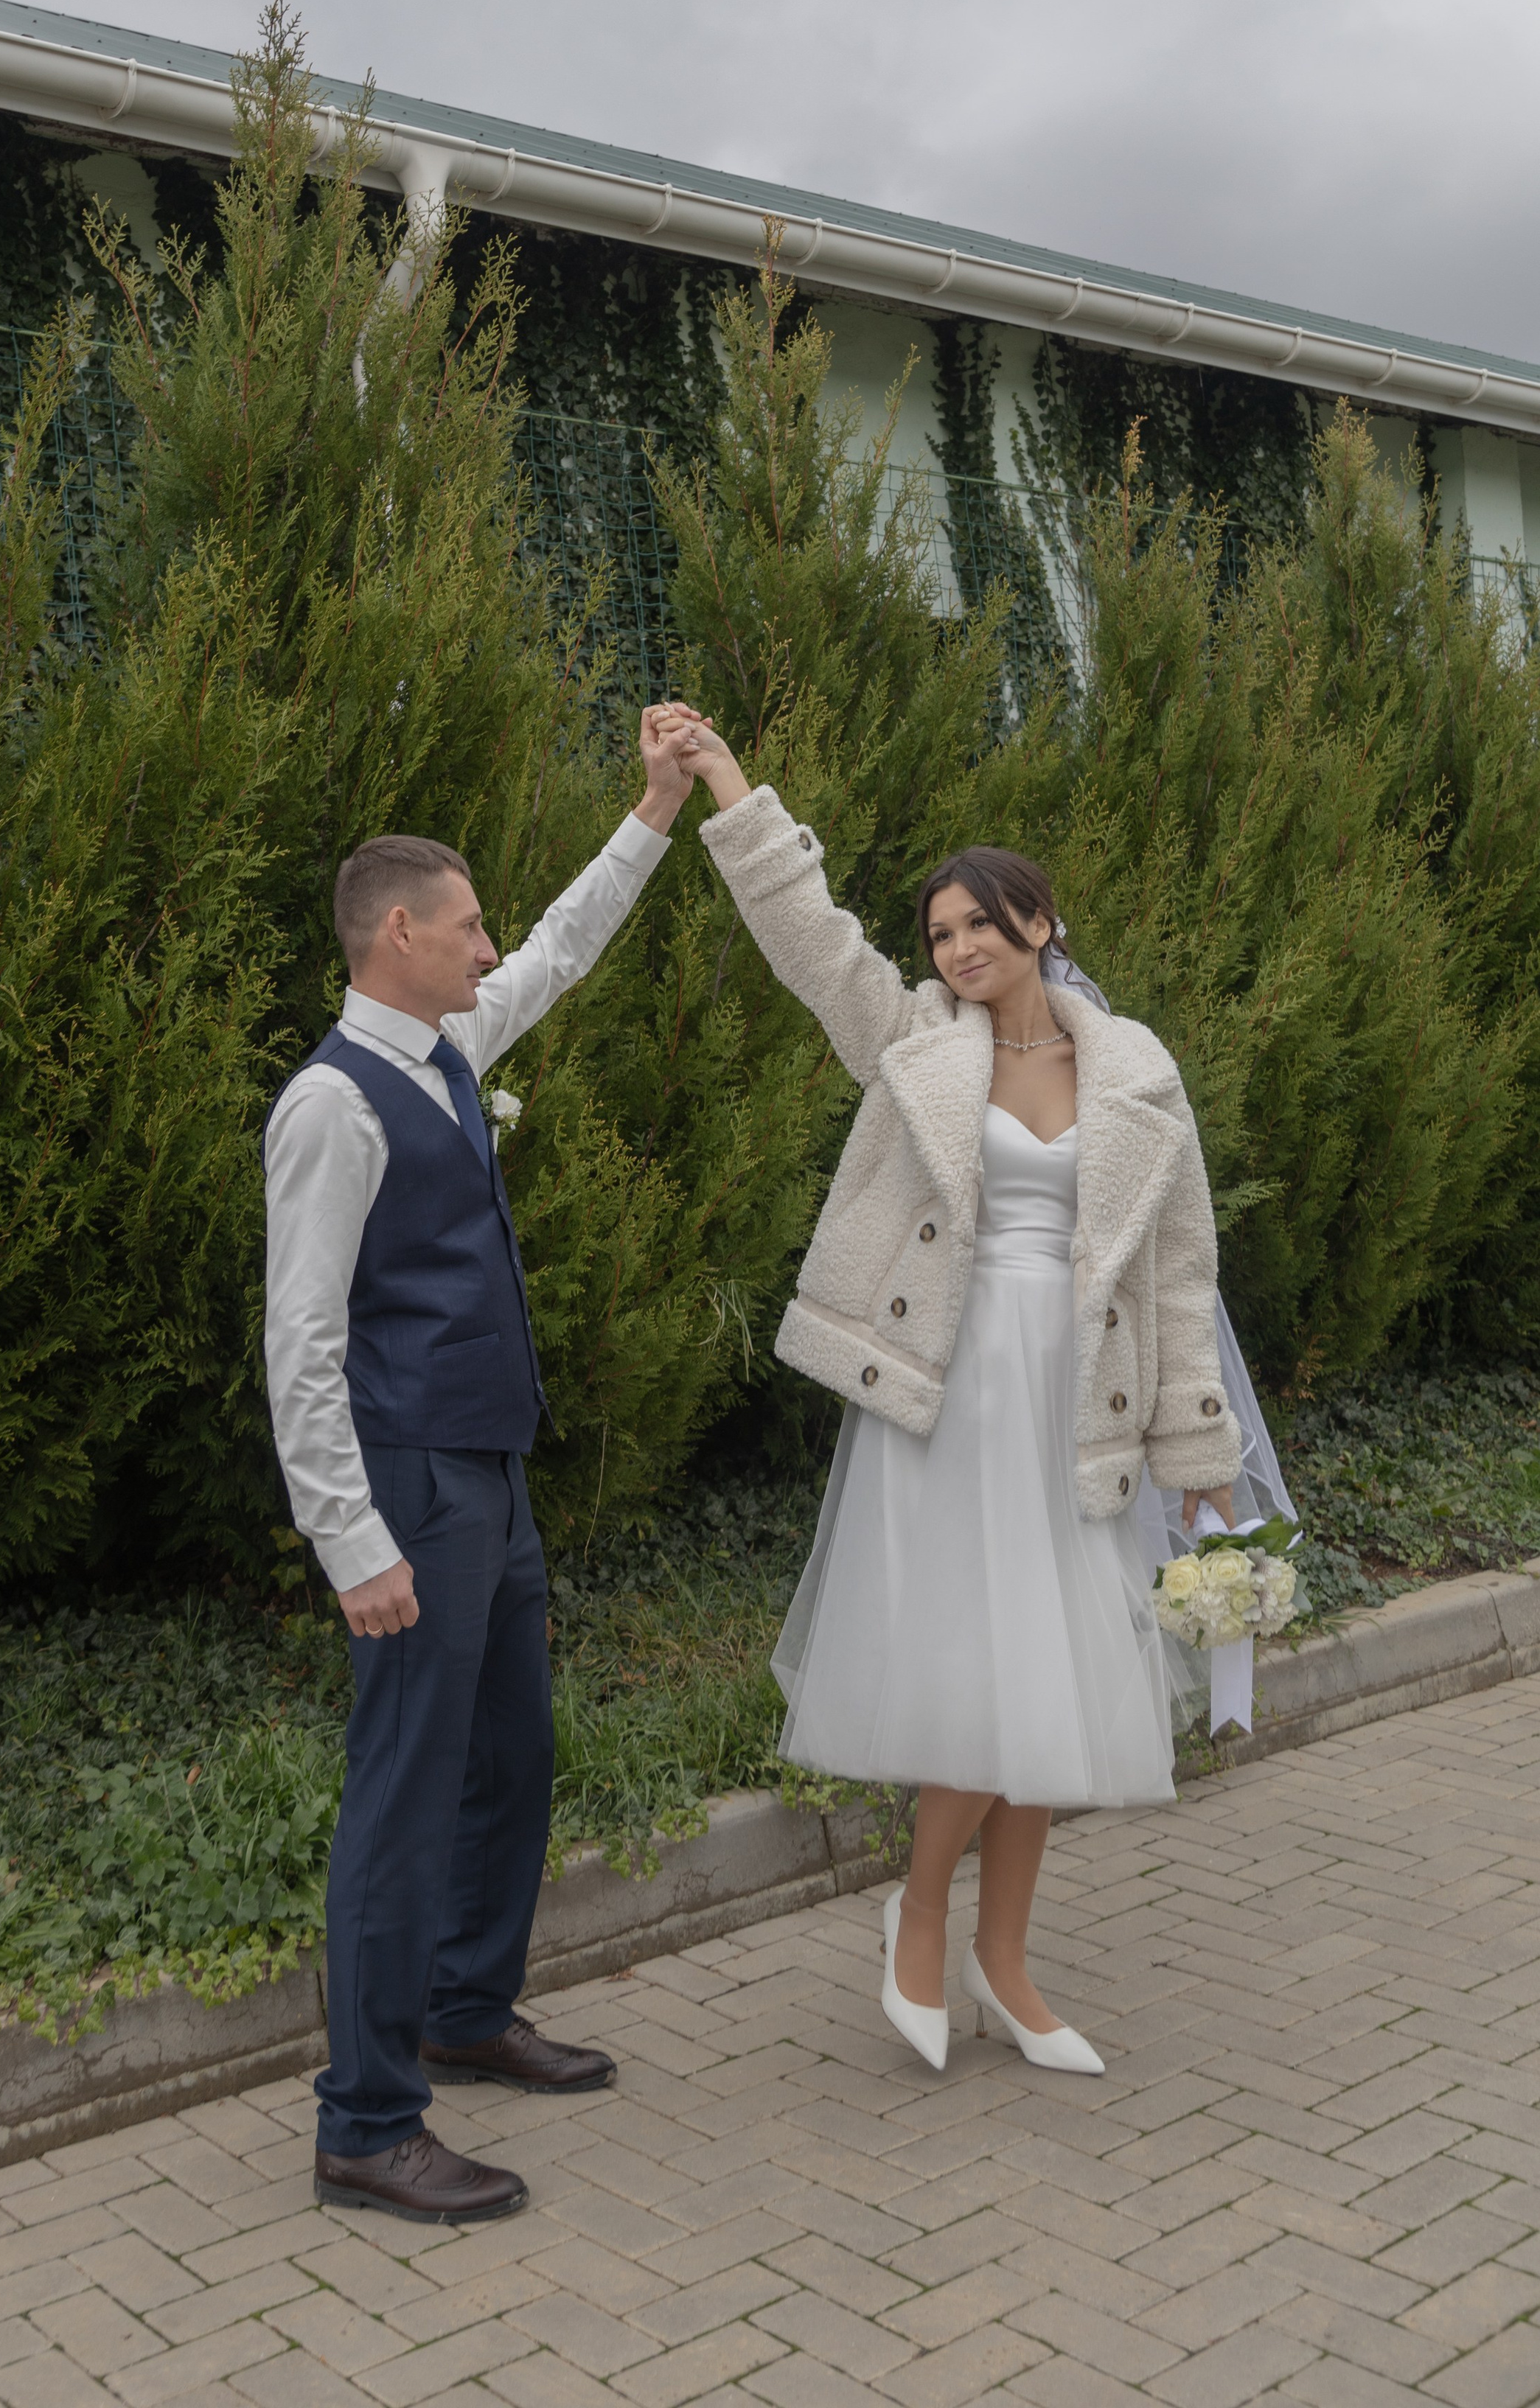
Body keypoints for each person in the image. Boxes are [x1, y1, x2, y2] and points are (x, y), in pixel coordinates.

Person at [655, 713, 1238, 2077]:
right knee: (984, 1664)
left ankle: (1008, 1960)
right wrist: (729, 789)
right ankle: (921, 1921)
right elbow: (812, 940)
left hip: (1077, 1399)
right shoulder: (917, 1040)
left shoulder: (1138, 1072)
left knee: (1048, 1679)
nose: (959, 952)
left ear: (1042, 922)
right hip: (949, 1392)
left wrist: (1194, 1442)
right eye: (940, 936)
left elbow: (1175, 1275)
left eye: (980, 925)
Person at [262, 709, 697, 2223]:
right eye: (464, 926)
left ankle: (462, 2008)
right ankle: (365, 2124)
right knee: (399, 1795)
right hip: (409, 1491)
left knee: (515, 1753)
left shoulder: (445, 1044)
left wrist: (653, 809)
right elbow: (299, 1346)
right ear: (397, 932)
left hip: (491, 1482)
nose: (485, 943)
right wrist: (351, 1543)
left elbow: (563, 949)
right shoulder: (330, 1105)